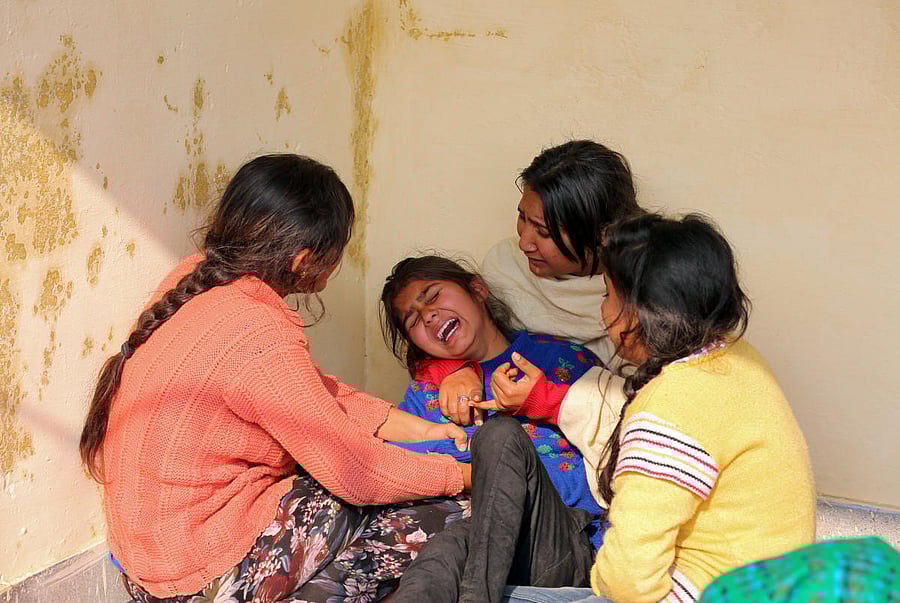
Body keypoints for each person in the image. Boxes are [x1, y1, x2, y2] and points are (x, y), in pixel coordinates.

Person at [79, 154, 473, 603]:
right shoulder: (256, 330)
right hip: (197, 578)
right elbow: (358, 471)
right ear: (304, 260)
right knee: (445, 512)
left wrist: (423, 430)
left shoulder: (195, 279)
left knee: (390, 483)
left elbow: (315, 394)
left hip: (150, 569)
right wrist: (464, 475)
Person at [394, 213, 816, 603]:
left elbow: (626, 581)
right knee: (448, 552)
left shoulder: (668, 407)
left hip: (663, 583)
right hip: (745, 578)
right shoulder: (736, 360)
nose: (600, 312)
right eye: (413, 319)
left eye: (606, 294)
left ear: (639, 312)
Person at [379, 255, 622, 552]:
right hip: (473, 544)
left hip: (571, 538)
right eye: (413, 320)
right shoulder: (424, 394)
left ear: (477, 290)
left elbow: (614, 451)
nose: (427, 316)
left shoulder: (561, 360)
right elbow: (393, 462)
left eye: (433, 296)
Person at [439, 140, 641, 426]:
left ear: (598, 237)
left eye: (543, 232)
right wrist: (458, 370)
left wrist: (547, 400)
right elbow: (463, 336)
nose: (524, 242)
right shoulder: (505, 266)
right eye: (522, 217)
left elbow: (645, 404)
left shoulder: (638, 296)